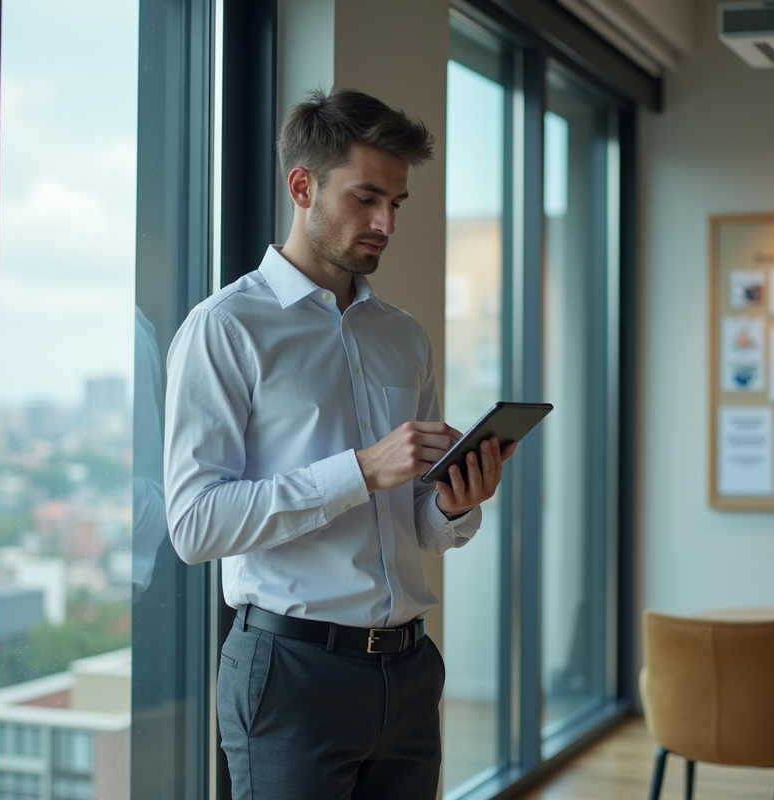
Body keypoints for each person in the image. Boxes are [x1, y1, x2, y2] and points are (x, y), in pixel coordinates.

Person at [163, 87, 516, 800]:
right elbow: (194, 526)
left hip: (411, 671)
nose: (385, 222)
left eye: (396, 203)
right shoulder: (226, 328)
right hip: (292, 675)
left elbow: (420, 523)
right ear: (303, 186)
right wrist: (360, 469)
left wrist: (457, 503)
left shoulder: (403, 336)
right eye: (365, 198)